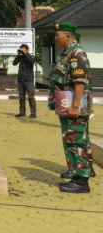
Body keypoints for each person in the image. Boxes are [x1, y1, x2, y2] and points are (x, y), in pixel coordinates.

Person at [48, 22, 94, 193]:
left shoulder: (76, 54)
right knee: (71, 140)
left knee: (77, 140)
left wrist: (75, 106)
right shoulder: (67, 53)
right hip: (68, 106)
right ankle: (77, 173)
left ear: (67, 36)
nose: (55, 37)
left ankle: (82, 180)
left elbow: (79, 83)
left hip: (75, 106)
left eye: (57, 35)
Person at [13, 44, 36, 118]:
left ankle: (33, 113)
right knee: (21, 97)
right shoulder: (20, 57)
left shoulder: (31, 56)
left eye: (23, 49)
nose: (21, 51)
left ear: (27, 50)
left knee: (31, 97)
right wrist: (18, 54)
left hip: (29, 80)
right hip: (21, 80)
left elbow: (32, 61)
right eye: (21, 49)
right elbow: (14, 63)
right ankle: (22, 112)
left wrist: (25, 54)